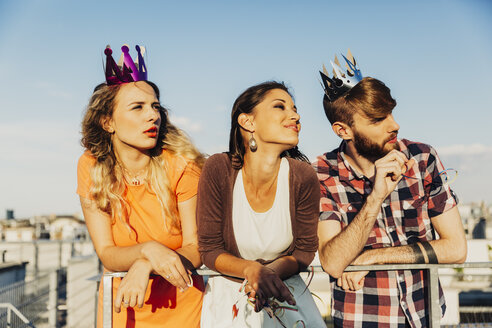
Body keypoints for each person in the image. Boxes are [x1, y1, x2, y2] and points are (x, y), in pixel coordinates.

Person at [314, 53, 467, 327]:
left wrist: (372, 257)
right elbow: (333, 263)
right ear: (343, 130)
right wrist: (376, 197)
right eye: (377, 120)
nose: (394, 125)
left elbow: (456, 248)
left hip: (426, 316)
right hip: (362, 320)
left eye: (391, 113)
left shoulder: (421, 159)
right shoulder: (324, 173)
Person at [77, 45, 205, 327]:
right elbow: (107, 253)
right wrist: (149, 248)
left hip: (183, 310)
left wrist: (145, 262)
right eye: (138, 107)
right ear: (108, 122)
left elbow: (196, 247)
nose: (153, 116)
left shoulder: (182, 163)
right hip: (122, 309)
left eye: (156, 107)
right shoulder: (91, 166)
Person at [197, 81, 325, 327]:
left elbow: (305, 250)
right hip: (228, 306)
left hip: (288, 301)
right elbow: (210, 249)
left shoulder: (303, 175)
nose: (295, 115)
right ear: (248, 122)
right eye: (280, 106)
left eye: (295, 108)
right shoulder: (218, 169)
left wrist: (269, 273)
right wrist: (251, 271)